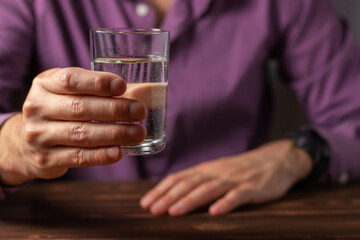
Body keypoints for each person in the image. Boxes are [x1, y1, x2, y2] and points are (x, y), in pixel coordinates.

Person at [0, 0, 359, 216]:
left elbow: (351, 114)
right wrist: (14, 144)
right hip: (79, 224)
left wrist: (295, 155)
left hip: (227, 219)